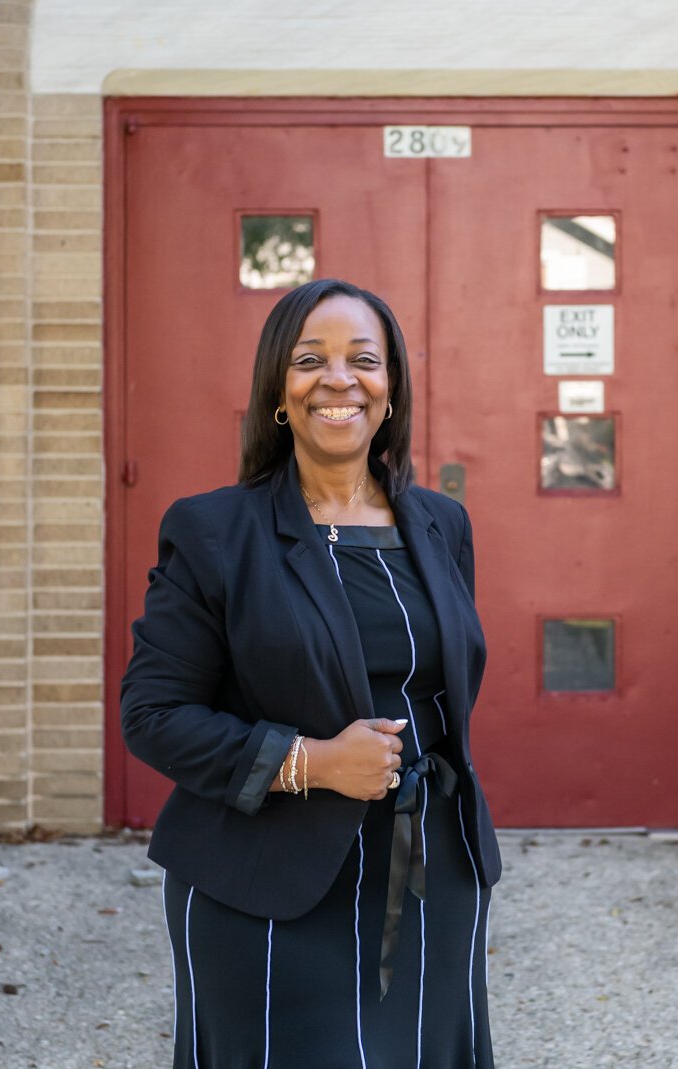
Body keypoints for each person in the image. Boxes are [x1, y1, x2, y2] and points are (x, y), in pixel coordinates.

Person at [122, 277, 501, 1068]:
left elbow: (440, 686)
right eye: (311, 359)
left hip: (430, 876)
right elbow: (153, 714)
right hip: (266, 887)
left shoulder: (442, 524)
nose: (339, 379)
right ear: (278, 390)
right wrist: (314, 762)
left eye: (364, 359)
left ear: (391, 389)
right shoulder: (215, 532)